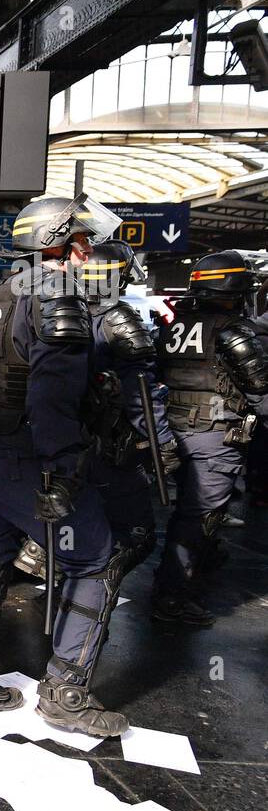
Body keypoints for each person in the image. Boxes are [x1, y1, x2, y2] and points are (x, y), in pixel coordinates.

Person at [0, 194, 132, 737]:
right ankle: (65, 692)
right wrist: (66, 470)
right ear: (60, 243)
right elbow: (51, 397)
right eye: (81, 242)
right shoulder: (57, 299)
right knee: (97, 558)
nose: (87, 253)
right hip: (30, 459)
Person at [11, 240, 179, 590]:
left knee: (72, 510)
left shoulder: (55, 306)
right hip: (110, 445)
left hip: (60, 437)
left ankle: (45, 558)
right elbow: (140, 393)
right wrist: (162, 443)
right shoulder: (118, 317)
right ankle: (88, 589)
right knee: (138, 532)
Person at [151, 250, 268, 624]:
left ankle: (194, 565)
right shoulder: (235, 332)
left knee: (188, 513)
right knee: (198, 517)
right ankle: (172, 597)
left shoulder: (175, 326)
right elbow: (261, 393)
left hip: (173, 432)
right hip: (215, 438)